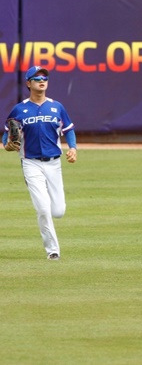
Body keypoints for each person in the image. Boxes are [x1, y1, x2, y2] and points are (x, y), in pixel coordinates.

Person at [3, 66, 77, 260]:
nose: (42, 80)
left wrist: (73, 148)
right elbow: (6, 136)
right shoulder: (19, 109)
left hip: (54, 163)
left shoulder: (57, 107)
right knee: (43, 209)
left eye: (44, 77)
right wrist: (7, 144)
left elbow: (68, 129)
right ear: (28, 83)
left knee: (58, 211)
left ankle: (52, 231)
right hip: (31, 163)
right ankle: (53, 250)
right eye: (36, 78)